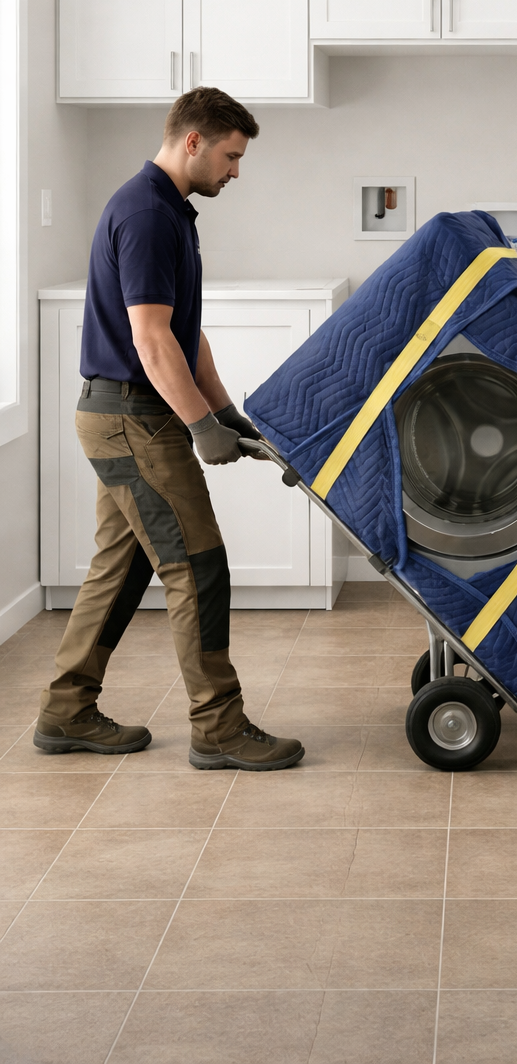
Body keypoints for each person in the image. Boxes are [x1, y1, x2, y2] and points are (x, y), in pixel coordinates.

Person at [35, 88, 304, 771]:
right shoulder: (148, 213)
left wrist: (224, 413)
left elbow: (187, 335)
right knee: (198, 567)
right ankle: (218, 726)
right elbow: (152, 342)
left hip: (125, 414)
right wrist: (197, 426)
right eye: (231, 156)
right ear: (193, 142)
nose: (235, 172)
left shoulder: (170, 213)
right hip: (131, 419)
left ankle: (65, 711)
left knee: (121, 570)